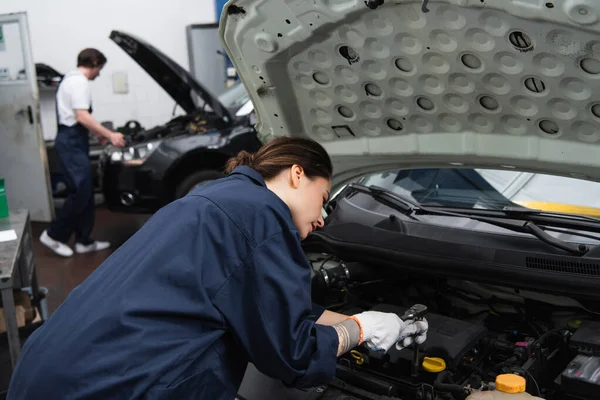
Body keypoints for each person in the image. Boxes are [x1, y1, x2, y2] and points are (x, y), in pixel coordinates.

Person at [8, 137, 427, 399]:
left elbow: (265, 306)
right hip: (115, 386)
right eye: (324, 197)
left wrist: (369, 320)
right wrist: (362, 330)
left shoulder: (221, 198)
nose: (322, 218)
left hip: (53, 368)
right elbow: (293, 354)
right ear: (298, 174)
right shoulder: (262, 217)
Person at [40, 48, 126, 258]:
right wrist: (110, 134)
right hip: (71, 141)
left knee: (85, 190)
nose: (99, 73)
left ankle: (84, 240)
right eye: (100, 68)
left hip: (73, 139)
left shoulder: (70, 79)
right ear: (94, 63)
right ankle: (53, 235)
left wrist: (96, 135)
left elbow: (79, 117)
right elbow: (81, 116)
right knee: (80, 191)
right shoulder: (78, 82)